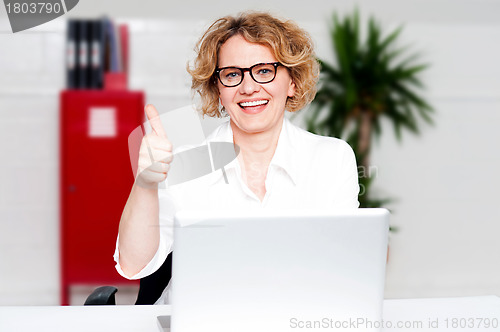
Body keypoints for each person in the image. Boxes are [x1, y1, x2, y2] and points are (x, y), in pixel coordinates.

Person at [114, 11, 359, 304]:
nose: (248, 87)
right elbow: (133, 265)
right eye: (232, 74)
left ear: (292, 82)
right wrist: (145, 184)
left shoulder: (331, 159)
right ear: (218, 89)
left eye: (265, 70)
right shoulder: (184, 162)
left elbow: (344, 266)